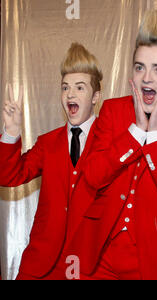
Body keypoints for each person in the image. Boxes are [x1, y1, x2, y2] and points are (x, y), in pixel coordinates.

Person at [64, 10, 157, 280]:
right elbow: (93, 175)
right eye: (140, 67)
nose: (146, 78)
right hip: (101, 256)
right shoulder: (112, 111)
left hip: (155, 259)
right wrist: (136, 132)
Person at [0, 43, 102, 280]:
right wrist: (11, 131)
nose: (70, 94)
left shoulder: (111, 141)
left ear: (96, 96)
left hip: (92, 267)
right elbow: (9, 175)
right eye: (65, 87)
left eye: (79, 87)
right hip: (41, 266)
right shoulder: (47, 143)